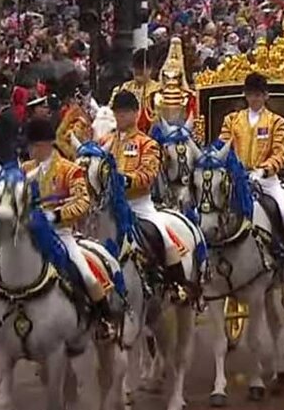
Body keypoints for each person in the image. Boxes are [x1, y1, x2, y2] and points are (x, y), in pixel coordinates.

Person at [23, 118, 122, 339]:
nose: (28, 150)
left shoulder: (70, 170)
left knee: (87, 275)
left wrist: (55, 215)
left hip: (61, 234)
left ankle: (104, 319)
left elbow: (82, 202)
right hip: (28, 234)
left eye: (32, 146)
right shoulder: (24, 170)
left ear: (44, 145)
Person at [104, 90, 195, 300]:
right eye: (117, 113)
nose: (120, 117)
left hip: (139, 205)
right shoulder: (107, 143)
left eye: (125, 113)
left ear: (136, 114)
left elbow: (150, 173)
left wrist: (127, 180)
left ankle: (177, 284)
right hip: (110, 206)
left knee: (166, 239)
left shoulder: (147, 144)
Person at [217, 72, 284, 271]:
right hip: (237, 179)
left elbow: (280, 152)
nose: (255, 99)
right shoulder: (232, 121)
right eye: (251, 95)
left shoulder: (276, 122)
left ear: (266, 96)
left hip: (266, 180)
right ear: (246, 96)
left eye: (259, 95)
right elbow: (223, 148)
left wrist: (264, 170)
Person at [111, 49, 161, 132]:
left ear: (151, 69)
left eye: (142, 68)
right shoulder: (124, 88)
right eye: (136, 67)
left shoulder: (157, 90)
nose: (138, 71)